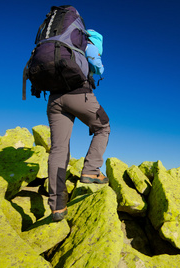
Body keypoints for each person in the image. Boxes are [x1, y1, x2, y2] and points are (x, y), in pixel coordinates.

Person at [47, 30, 110, 222]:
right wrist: (99, 62)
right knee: (103, 127)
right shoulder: (88, 45)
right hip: (78, 94)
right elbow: (98, 68)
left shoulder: (62, 45)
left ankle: (57, 206)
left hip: (54, 100)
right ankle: (91, 170)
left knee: (58, 148)